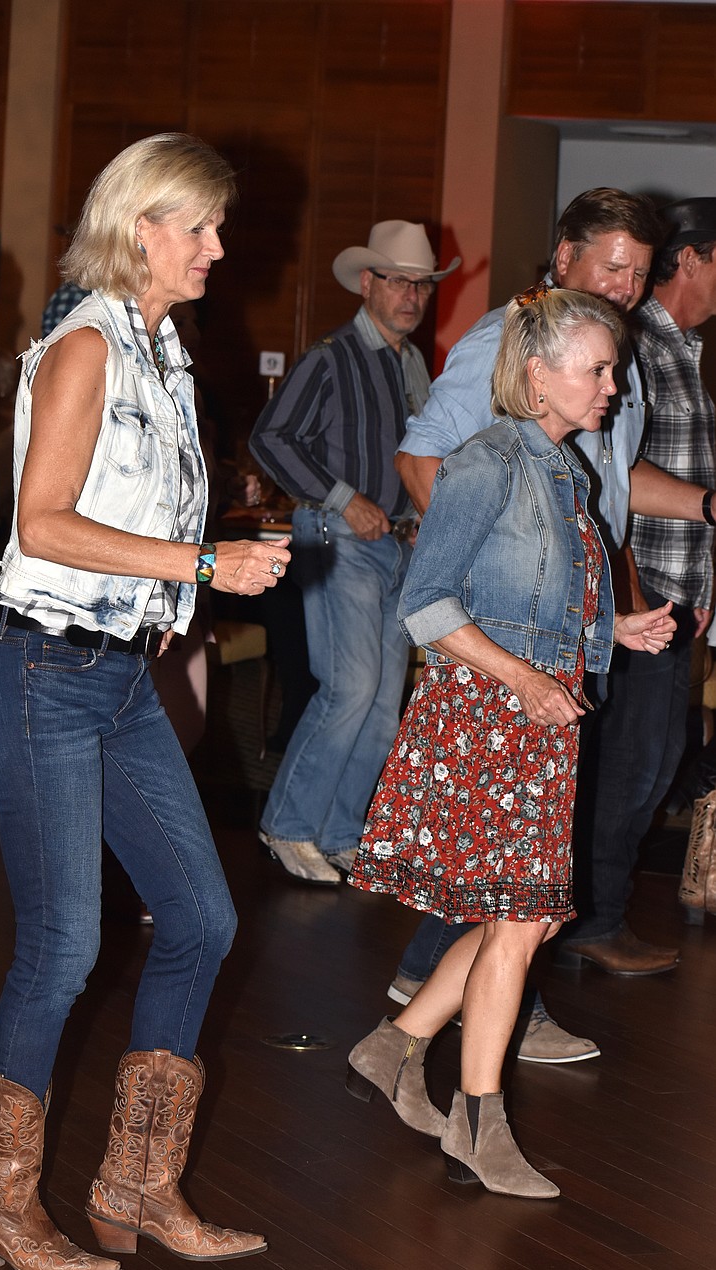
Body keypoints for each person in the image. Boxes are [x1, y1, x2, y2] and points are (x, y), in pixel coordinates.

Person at [0, 133, 289, 1270]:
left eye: (216, 225)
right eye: (196, 226)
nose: (216, 246)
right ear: (140, 225)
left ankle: (137, 1186)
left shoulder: (166, 349)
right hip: (39, 671)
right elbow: (39, 524)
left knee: (201, 919)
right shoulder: (89, 343)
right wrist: (200, 568)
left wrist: (219, 549)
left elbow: (137, 519)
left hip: (116, 676)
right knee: (59, 950)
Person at [346, 288, 676, 1199]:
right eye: (598, 368)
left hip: (533, 720)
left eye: (612, 368)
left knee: (513, 918)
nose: (613, 385)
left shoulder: (564, 469)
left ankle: (395, 1045)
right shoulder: (485, 462)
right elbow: (427, 605)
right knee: (520, 921)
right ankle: (476, 1120)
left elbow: (535, 602)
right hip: (490, 719)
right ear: (539, 376)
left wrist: (617, 630)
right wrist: (528, 680)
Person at [390, 187, 712, 994]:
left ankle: (463, 1006)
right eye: (612, 267)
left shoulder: (606, 358)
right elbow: (426, 460)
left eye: (639, 274)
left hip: (569, 632)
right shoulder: (511, 340)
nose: (626, 287)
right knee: (501, 849)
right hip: (507, 641)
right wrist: (490, 573)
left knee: (524, 851)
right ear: (564, 256)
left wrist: (698, 512)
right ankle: (439, 1002)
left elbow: (610, 485)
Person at [249, 220, 459, 884]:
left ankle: (340, 832)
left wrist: (425, 516)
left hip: (397, 548)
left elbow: (420, 456)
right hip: (340, 539)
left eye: (421, 284)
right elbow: (271, 438)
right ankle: (286, 825)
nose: (412, 294)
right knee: (351, 689)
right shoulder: (333, 354)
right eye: (398, 280)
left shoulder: (411, 363)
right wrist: (345, 499)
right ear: (367, 282)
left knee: (379, 703)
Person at [561, 198, 716, 965]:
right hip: (638, 591)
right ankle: (588, 924)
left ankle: (596, 919)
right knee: (627, 764)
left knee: (651, 762)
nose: (626, 283)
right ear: (694, 258)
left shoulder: (678, 348)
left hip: (673, 592)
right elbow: (611, 476)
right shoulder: (636, 347)